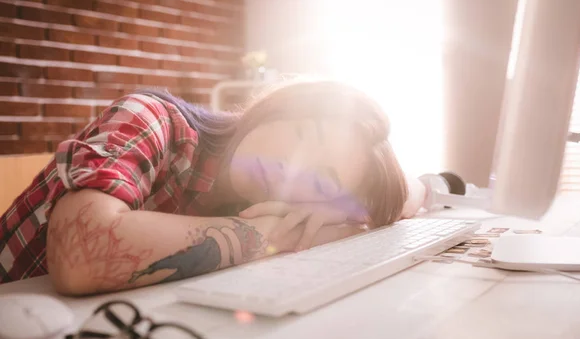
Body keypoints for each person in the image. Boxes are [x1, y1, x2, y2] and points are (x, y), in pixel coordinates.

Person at [0, 79, 426, 295]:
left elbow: (406, 192)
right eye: (302, 136)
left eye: (319, 180)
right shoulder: (154, 119)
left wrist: (362, 212)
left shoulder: (254, 198)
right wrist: (280, 234)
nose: (290, 170)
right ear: (277, 109)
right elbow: (82, 255)